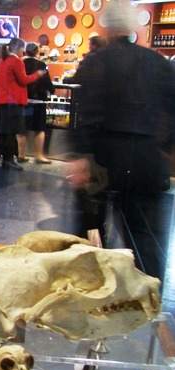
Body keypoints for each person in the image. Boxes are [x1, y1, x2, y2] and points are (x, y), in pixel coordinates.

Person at [66, 0, 175, 280]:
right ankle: (146, 292)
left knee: (91, 232)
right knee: (144, 237)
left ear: (109, 28)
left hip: (104, 159)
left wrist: (80, 156)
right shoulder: (157, 62)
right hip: (147, 160)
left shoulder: (96, 62)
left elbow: (84, 111)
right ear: (132, 27)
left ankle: (92, 286)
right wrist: (166, 147)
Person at [0, 37, 46, 170]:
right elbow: (24, 80)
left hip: (3, 100)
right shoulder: (16, 62)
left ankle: (5, 159)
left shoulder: (1, 61)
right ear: (20, 49)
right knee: (12, 132)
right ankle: (10, 159)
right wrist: (37, 74)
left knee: (5, 131)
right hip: (14, 101)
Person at [19, 42, 54, 164]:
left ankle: (21, 154)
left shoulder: (20, 63)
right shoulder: (41, 65)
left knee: (23, 129)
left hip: (24, 100)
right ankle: (38, 155)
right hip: (39, 100)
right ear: (37, 51)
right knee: (39, 129)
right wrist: (51, 90)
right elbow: (47, 83)